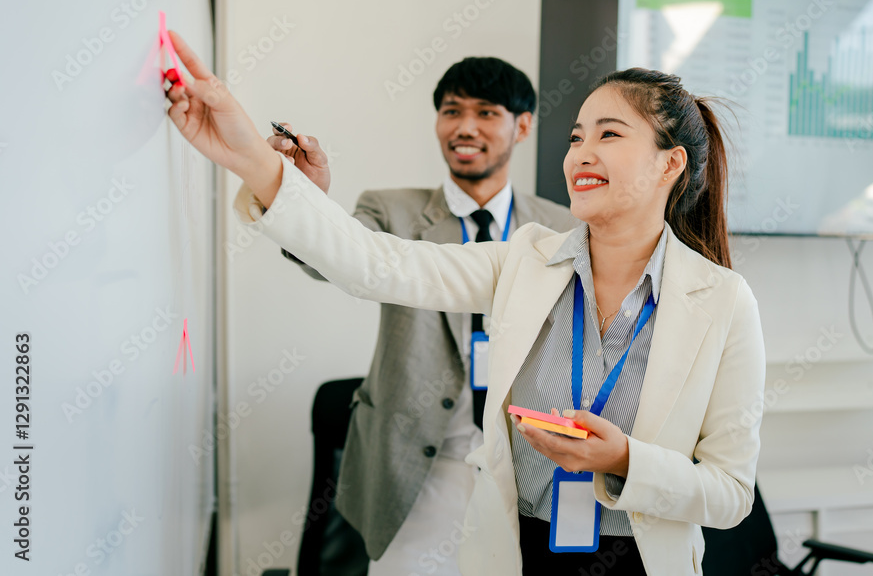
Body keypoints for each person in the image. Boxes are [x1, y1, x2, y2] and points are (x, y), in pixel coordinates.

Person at [164, 31, 766, 576]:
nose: (581, 151)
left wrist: (626, 460)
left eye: (609, 134)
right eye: (576, 135)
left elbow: (731, 492)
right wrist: (250, 156)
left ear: (671, 162)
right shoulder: (525, 258)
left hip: (642, 561)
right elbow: (378, 264)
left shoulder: (721, 301)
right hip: (518, 553)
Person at [266, 57, 578, 575]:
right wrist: (307, 202)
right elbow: (334, 259)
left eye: (485, 112)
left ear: (522, 125)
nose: (465, 127)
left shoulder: (560, 225)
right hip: (413, 464)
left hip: (520, 460)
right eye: (451, 111)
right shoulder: (391, 209)